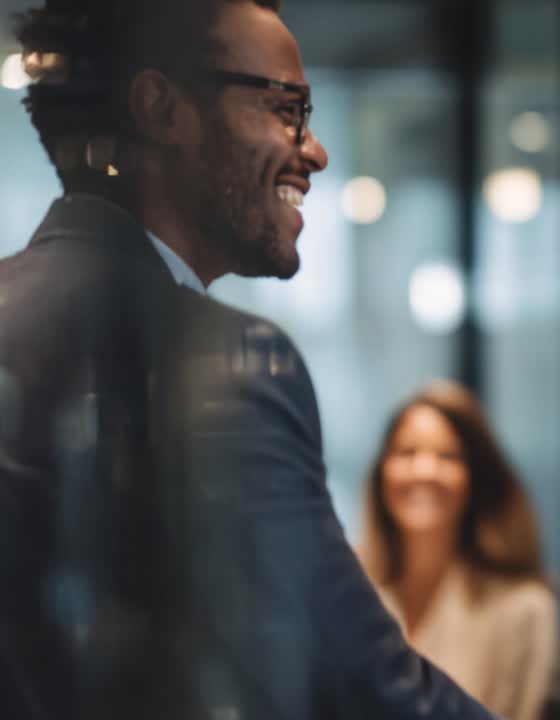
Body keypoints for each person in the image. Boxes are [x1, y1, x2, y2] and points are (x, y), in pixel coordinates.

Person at [0, 1, 494, 718]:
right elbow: (362, 686)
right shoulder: (225, 362)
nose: (315, 149)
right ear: (163, 109)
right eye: (286, 108)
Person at [359, 381, 560, 720]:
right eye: (406, 453)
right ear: (382, 472)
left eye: (447, 456)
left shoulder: (524, 610)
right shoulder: (346, 590)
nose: (424, 470)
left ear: (476, 476)